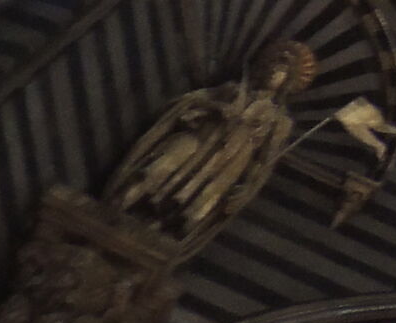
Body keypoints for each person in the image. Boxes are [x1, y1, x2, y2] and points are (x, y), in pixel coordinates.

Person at [104, 41, 317, 245]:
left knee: (190, 202)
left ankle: (156, 234)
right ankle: (116, 207)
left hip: (225, 164)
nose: (274, 72)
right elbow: (186, 102)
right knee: (155, 170)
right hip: (199, 139)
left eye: (282, 69)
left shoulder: (279, 120)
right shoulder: (233, 90)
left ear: (288, 81)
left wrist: (246, 188)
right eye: (274, 64)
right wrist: (214, 107)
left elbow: (264, 161)